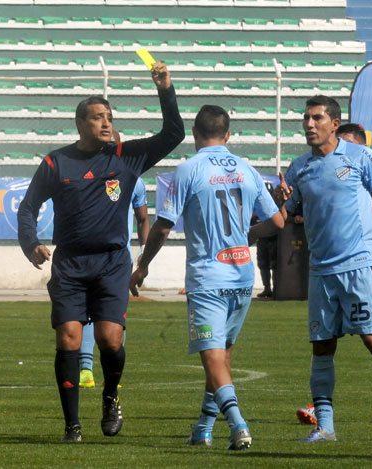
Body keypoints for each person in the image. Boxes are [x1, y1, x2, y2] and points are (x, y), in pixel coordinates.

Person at [17, 62, 184, 443]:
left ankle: (110, 396)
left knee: (110, 340)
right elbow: (28, 207)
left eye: (109, 117)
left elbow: (174, 134)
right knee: (69, 339)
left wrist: (165, 90)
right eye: (97, 118)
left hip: (111, 263)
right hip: (71, 264)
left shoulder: (126, 156)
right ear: (80, 124)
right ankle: (71, 426)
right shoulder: (56, 162)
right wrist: (30, 243)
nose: (106, 123)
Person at [129, 104, 287, 450]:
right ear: (228, 135)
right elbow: (277, 222)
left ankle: (238, 425)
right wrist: (246, 235)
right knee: (222, 356)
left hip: (208, 277)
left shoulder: (188, 169)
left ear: (195, 134)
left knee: (212, 357)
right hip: (242, 275)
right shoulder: (246, 168)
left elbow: (163, 227)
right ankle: (203, 428)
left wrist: (143, 265)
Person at [282, 96, 372, 443]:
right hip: (321, 271)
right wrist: (254, 227)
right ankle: (325, 427)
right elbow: (285, 215)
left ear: (334, 123)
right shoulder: (299, 167)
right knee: (322, 346)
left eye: (316, 118)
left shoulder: (361, 157)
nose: (309, 124)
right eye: (306, 118)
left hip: (360, 264)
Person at [296, 123, 372, 426]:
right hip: (330, 269)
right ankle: (320, 406)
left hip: (369, 271)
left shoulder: (369, 181)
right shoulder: (318, 171)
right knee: (323, 339)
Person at [79, 176, 150, 389]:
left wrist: (143, 253)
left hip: (119, 259)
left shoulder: (134, 180)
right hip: (88, 255)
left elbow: (143, 218)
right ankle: (86, 369)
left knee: (115, 316)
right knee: (88, 312)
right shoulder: (89, 174)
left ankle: (110, 375)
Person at [254, 182, 279, 299]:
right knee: (263, 265)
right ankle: (267, 288)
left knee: (275, 265)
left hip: (274, 239)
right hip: (262, 240)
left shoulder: (275, 206)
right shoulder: (257, 205)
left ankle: (276, 288)